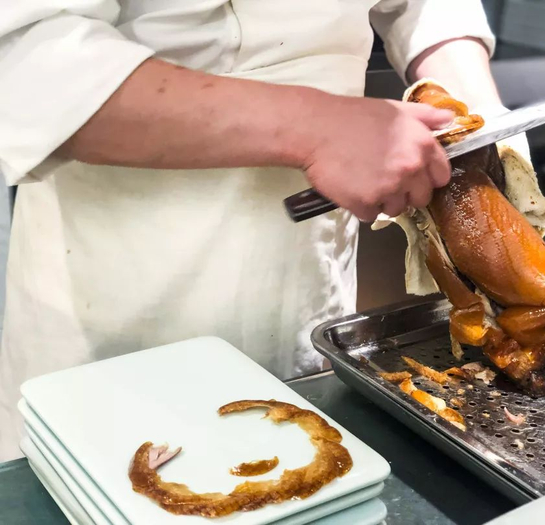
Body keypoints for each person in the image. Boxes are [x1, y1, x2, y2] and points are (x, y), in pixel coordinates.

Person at [0, 1, 513, 460]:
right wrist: (317, 128)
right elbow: (24, 60)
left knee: (304, 466)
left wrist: (477, 115)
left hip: (312, 270)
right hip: (125, 291)